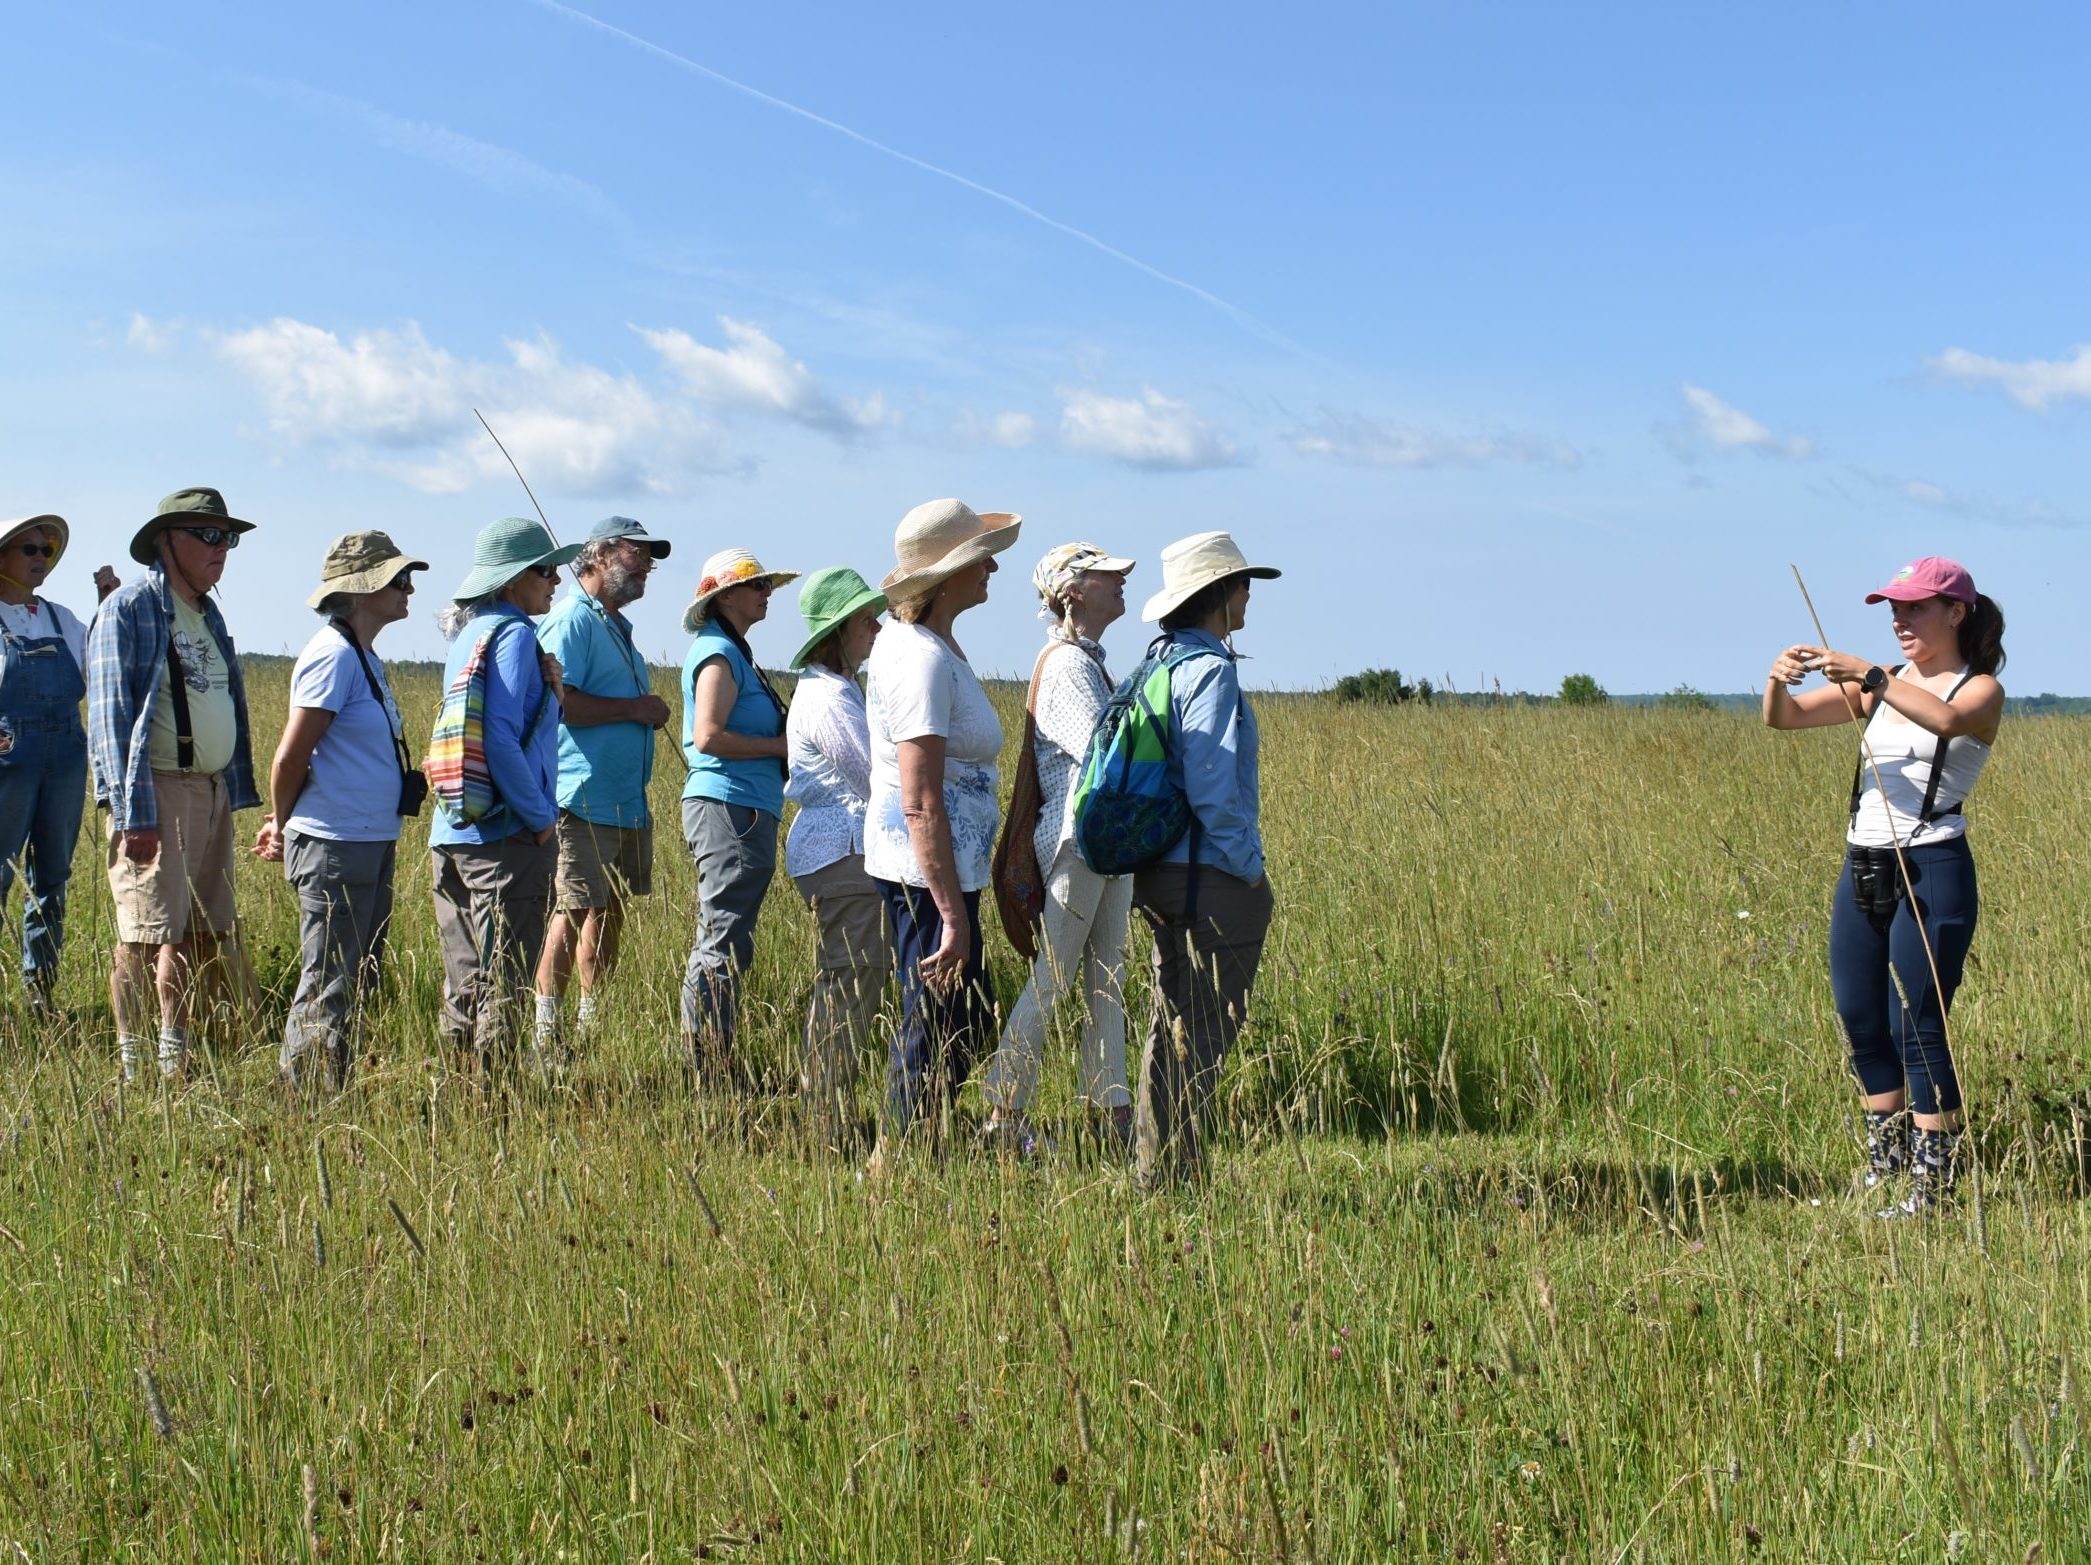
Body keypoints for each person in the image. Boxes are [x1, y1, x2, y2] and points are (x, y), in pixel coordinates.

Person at [1763, 556, 2005, 1216]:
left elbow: (1946, 722)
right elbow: (1783, 719)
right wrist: (1776, 677)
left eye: (1914, 607)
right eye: (1892, 609)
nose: (1898, 620)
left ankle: (1934, 1184)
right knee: (1861, 1017)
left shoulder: (1976, 689)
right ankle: (1886, 1161)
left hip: (1931, 868)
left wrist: (1867, 673)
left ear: (1955, 612)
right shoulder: (1886, 684)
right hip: (1862, 865)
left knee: (1918, 1025)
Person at [86, 487, 262, 1082]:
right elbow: (109, 717)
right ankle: (138, 1068)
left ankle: (179, 1059)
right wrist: (133, 812)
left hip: (208, 789)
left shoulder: (209, 614)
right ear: (166, 542)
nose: (222, 550)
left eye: (228, 539)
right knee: (145, 933)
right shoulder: (129, 609)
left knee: (200, 932)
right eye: (207, 536)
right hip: (156, 791)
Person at [863, 498, 1021, 1154]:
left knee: (958, 1014)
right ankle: (896, 1164)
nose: (990, 567)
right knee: (932, 1020)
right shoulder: (920, 659)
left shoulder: (931, 644)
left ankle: (921, 1143)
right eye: (977, 559)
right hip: (926, 873)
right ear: (945, 576)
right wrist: (951, 912)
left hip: (945, 868)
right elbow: (920, 798)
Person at [1128, 531, 1280, 1189]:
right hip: (1210, 875)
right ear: (1216, 594)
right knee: (1210, 1032)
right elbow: (1214, 788)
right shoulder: (1211, 670)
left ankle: (1151, 1167)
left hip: (1156, 870)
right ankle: (1183, 1173)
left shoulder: (1154, 664)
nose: (1248, 593)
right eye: (1241, 582)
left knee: (1170, 1021)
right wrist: (1249, 868)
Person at [979, 541, 1139, 1156]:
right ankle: (1003, 1109)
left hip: (1102, 842)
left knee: (1105, 978)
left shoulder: (1087, 661)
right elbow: (1107, 754)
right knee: (1056, 977)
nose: (1119, 581)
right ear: (1071, 590)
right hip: (1079, 841)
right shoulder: (1068, 665)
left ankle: (1112, 1112)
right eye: (1106, 575)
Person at [253, 532, 428, 1092]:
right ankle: (305, 1100)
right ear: (364, 589)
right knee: (328, 976)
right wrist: (280, 824)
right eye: (399, 580)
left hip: (365, 838)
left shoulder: (361, 654)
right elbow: (290, 756)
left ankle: (326, 1088)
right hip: (334, 842)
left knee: (355, 974)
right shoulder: (332, 656)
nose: (410, 589)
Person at [428, 518, 579, 1075]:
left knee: (464, 977)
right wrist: (541, 819)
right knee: (504, 977)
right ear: (514, 579)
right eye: (545, 569)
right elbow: (500, 739)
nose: (555, 579)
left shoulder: (469, 633)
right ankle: (493, 1100)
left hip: (453, 828)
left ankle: (457, 1094)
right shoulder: (515, 634)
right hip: (504, 834)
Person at [532, 516, 674, 1062]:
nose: (646, 568)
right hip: (581, 795)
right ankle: (548, 1035)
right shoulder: (573, 620)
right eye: (637, 554)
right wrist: (637, 708)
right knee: (571, 907)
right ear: (599, 554)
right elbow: (559, 701)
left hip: (623, 801)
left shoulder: (617, 627)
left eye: (650, 559)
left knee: (608, 909)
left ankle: (592, 1026)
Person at [677, 547, 798, 1084]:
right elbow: (708, 737)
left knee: (727, 934)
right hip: (731, 806)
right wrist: (779, 746)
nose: (766, 594)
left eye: (767, 585)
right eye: (757, 586)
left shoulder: (733, 650)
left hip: (744, 805)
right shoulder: (718, 653)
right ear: (724, 597)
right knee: (722, 937)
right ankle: (706, 1066)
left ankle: (712, 1057)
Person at [782, 566, 891, 1146]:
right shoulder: (829, 697)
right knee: (850, 984)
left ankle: (830, 1114)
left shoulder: (837, 689)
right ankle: (826, 1123)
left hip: (842, 851)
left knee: (854, 982)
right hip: (841, 851)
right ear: (839, 631)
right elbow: (875, 777)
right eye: (865, 620)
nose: (875, 628)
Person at [0, 514, 114, 1017]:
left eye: (46, 550)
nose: (41, 558)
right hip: (9, 761)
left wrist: (110, 609)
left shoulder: (61, 618)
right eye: (30, 549)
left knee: (52, 877)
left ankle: (39, 994)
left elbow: (105, 669)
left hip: (66, 759)